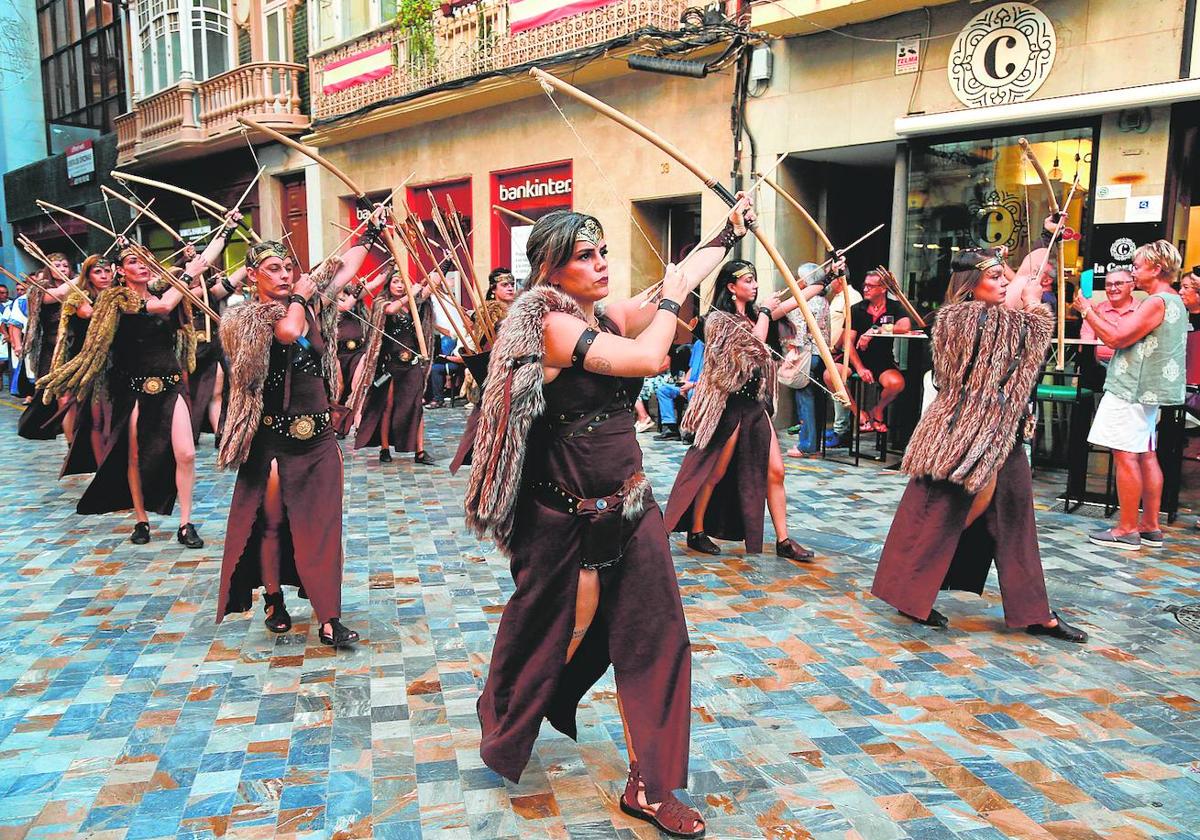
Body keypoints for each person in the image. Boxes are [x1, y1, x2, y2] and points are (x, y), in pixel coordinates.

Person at [467, 202, 753, 840]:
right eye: (584, 256)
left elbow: (676, 278)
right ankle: (507, 709)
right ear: (550, 267)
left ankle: (650, 785)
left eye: (601, 252)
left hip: (629, 506)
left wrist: (729, 233)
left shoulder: (606, 314)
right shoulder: (543, 326)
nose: (601, 265)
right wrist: (678, 300)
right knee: (552, 635)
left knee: (656, 638)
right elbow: (650, 359)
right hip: (557, 520)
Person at [871, 248, 1086, 642]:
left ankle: (1034, 611)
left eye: (1005, 277)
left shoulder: (980, 317)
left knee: (1013, 516)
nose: (1004, 284)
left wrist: (1043, 242)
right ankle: (908, 590)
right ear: (971, 286)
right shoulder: (968, 319)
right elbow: (1023, 342)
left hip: (994, 430)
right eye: (995, 279)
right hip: (968, 432)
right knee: (942, 512)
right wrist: (1037, 307)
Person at [215, 228, 376, 649]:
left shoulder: (309, 306)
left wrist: (370, 231)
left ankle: (329, 618)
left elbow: (342, 273)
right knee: (271, 523)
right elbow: (286, 332)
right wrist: (302, 297)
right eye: (274, 269)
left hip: (318, 437)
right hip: (272, 441)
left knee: (324, 526)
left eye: (289, 268)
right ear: (253, 275)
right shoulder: (242, 318)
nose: (285, 275)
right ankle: (273, 599)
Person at [39, 222, 236, 546]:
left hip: (171, 386)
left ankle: (186, 523)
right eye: (132, 261)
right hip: (132, 389)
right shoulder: (115, 299)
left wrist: (225, 233)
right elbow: (163, 306)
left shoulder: (164, 289)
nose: (141, 264)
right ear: (120, 270)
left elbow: (196, 280)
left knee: (186, 453)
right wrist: (189, 272)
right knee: (132, 456)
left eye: (145, 259)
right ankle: (141, 518)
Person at [662, 259, 814, 562]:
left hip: (755, 405)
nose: (755, 285)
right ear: (731, 287)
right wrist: (768, 313)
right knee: (715, 471)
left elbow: (788, 305)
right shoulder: (719, 320)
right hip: (728, 405)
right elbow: (754, 341)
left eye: (755, 280)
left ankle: (783, 540)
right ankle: (696, 529)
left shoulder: (757, 315)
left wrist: (826, 278)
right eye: (748, 280)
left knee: (776, 470)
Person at [1075, 241, 1188, 550]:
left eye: (1138, 265)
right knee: (1146, 453)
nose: (1134, 270)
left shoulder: (1155, 302)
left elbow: (1115, 338)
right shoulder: (1175, 300)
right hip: (1148, 390)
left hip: (1132, 388)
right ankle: (1150, 526)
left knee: (1125, 455)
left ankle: (1127, 529)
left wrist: (1087, 311)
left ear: (1157, 268)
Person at [346, 270, 436, 464]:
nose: (400, 285)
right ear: (388, 284)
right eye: (396, 281)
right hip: (390, 364)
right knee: (387, 406)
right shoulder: (382, 303)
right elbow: (390, 310)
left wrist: (445, 265)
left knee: (416, 405)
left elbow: (431, 284)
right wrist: (410, 295)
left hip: (412, 363)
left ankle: (420, 451)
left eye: (403, 282)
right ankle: (385, 448)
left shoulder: (414, 304)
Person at [49, 254, 116, 478]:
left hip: (116, 362)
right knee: (91, 416)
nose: (104, 276)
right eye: (98, 272)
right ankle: (98, 467)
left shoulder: (118, 294)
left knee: (112, 418)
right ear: (88, 275)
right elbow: (89, 313)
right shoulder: (79, 297)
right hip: (85, 364)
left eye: (107, 271)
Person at [823, 269, 910, 435]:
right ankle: (858, 414)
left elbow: (905, 327)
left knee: (897, 383)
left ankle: (877, 410)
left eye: (871, 286)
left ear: (883, 288)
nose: (865, 289)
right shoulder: (857, 309)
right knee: (830, 375)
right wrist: (860, 368)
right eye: (865, 285)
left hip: (882, 359)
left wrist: (874, 330)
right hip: (855, 358)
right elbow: (848, 342)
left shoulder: (894, 307)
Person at [781, 262, 831, 457]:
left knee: (806, 400)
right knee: (816, 400)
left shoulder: (803, 301)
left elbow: (798, 332)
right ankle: (814, 444)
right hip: (821, 354)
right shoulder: (823, 301)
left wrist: (791, 350)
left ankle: (807, 445)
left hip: (806, 354)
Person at [823, 271, 862, 447]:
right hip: (832, 352)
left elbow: (849, 328)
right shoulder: (836, 297)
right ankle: (840, 428)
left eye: (831, 278)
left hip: (842, 353)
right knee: (835, 390)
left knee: (839, 385)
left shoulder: (852, 296)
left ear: (839, 280)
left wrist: (837, 347)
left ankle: (842, 430)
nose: (829, 282)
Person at [1079, 269, 1139, 365]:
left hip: (1132, 364)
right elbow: (1086, 341)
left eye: (1118, 283)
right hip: (1099, 365)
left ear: (1131, 286)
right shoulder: (1096, 310)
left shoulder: (1141, 310)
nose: (1113, 288)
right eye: (1108, 284)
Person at [653, 335, 704, 441]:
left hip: (701, 386)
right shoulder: (698, 344)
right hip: (689, 384)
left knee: (692, 393)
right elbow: (691, 368)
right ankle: (671, 428)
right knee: (663, 390)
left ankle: (694, 430)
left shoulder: (716, 346)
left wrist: (693, 384)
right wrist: (684, 384)